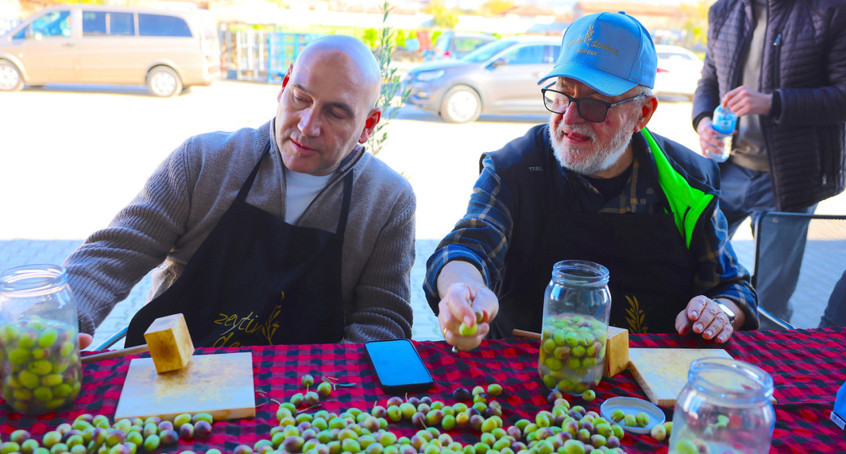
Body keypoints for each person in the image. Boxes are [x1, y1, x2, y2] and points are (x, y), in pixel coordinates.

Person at [424, 11, 758, 351]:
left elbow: (734, 289)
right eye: (561, 95)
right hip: (528, 375)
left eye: (594, 104)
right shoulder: (515, 168)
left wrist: (718, 313)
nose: (569, 118)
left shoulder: (687, 183)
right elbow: (467, 246)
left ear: (642, 113)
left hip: (651, 381)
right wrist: (463, 288)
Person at [65, 35, 416, 349]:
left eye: (335, 113)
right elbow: (113, 253)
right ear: (283, 86)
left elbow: (383, 321)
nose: (307, 126)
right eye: (300, 98)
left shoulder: (388, 201)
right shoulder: (203, 161)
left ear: (368, 125)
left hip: (297, 397)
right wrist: (60, 322)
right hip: (169, 376)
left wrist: (328, 389)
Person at [692, 0, 846, 328]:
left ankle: (769, 374)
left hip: (790, 180)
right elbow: (708, 81)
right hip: (727, 170)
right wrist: (703, 121)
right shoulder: (723, 10)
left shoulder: (833, 9)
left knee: (768, 303)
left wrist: (772, 102)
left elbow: (845, 97)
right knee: (696, 274)